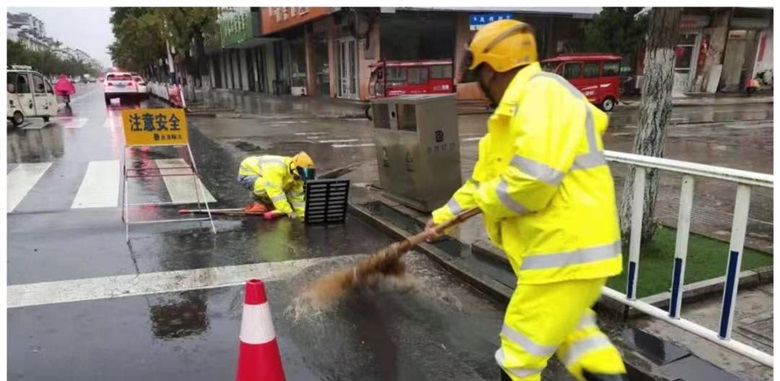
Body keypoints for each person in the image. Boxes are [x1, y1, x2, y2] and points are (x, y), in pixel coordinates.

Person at [425, 20, 629, 381]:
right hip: (569, 256)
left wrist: (487, 201)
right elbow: (482, 183)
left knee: (518, 358)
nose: (481, 84)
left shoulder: (542, 94)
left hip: (562, 252)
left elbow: (533, 183)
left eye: (481, 74)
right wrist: (444, 217)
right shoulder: (511, 114)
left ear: (494, 68)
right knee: (579, 339)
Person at [237, 151, 316, 219]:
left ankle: (271, 203)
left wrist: (303, 215)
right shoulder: (276, 168)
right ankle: (258, 200)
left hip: (264, 174)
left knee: (285, 186)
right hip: (248, 174)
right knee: (270, 187)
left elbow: (297, 197)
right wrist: (288, 211)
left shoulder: (297, 175)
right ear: (295, 168)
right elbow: (275, 191)